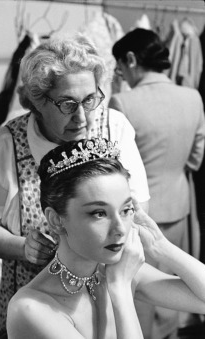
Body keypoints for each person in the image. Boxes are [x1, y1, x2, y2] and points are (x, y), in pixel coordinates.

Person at [0, 33, 150, 336]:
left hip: (106, 295)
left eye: (90, 99)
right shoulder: (2, 148)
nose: (83, 117)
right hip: (36, 303)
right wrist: (23, 247)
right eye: (68, 104)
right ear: (38, 101)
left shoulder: (115, 128)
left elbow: (138, 210)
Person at [7, 137, 205, 339]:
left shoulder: (112, 270)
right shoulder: (30, 309)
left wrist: (160, 246)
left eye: (126, 209)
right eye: (99, 213)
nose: (120, 229)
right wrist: (120, 290)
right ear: (56, 220)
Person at [109, 28, 205, 339]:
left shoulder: (122, 103)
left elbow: (116, 167)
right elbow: (196, 158)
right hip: (179, 206)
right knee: (174, 298)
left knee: (140, 296)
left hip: (139, 214)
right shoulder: (193, 96)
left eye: (119, 65)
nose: (119, 73)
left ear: (131, 59)